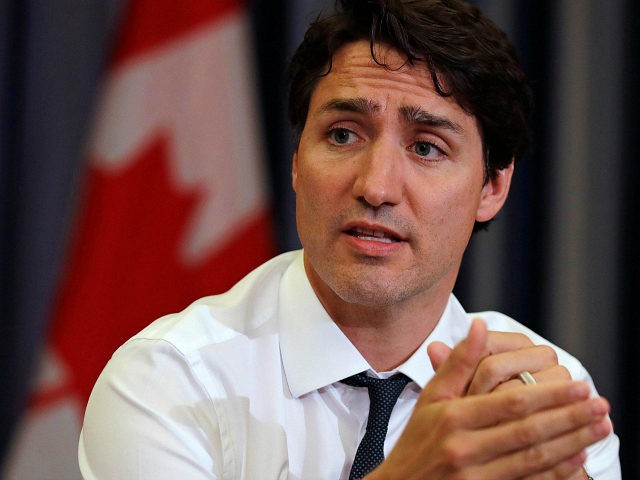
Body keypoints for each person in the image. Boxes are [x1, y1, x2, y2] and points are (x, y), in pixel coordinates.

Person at [78, 0, 620, 478]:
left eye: (427, 147)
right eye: (342, 135)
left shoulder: (544, 395)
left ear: (492, 187)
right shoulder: (169, 379)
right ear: (296, 162)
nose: (376, 186)